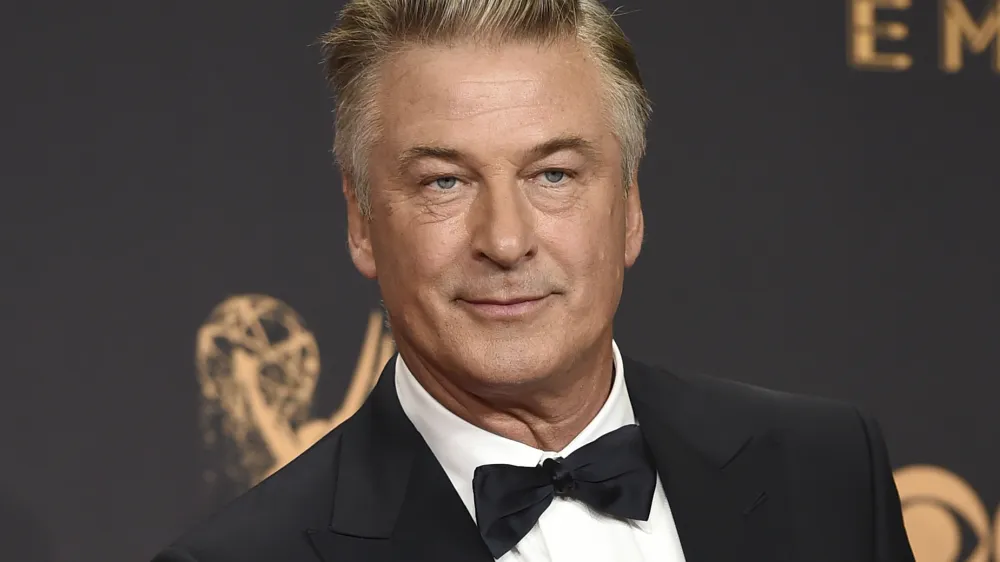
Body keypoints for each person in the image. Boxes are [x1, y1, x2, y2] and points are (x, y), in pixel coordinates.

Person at [153, 0, 916, 560]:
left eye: (553, 174)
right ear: (361, 221)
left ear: (630, 206)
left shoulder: (826, 470)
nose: (506, 240)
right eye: (444, 183)